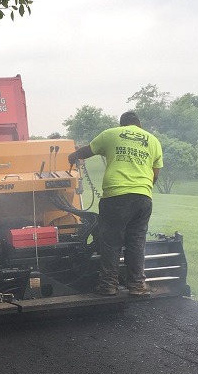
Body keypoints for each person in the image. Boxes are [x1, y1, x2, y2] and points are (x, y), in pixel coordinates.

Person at [67, 111, 163, 297]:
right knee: (136, 242)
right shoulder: (153, 141)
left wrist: (73, 156)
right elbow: (155, 174)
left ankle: (108, 286)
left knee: (111, 241)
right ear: (139, 125)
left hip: (116, 197)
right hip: (143, 198)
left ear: (122, 124)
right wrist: (140, 188)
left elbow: (87, 151)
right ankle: (137, 285)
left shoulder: (111, 134)